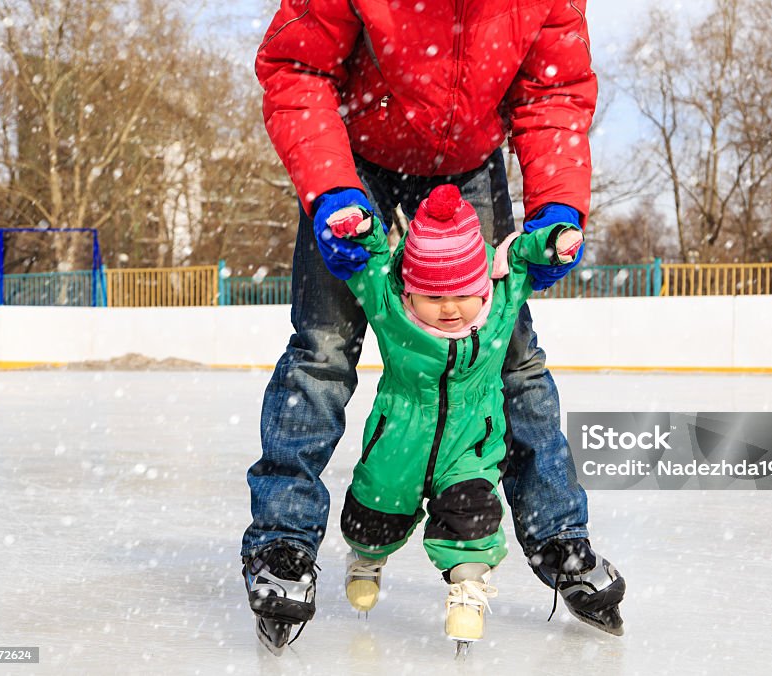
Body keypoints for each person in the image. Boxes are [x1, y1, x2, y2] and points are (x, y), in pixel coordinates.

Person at [242, 0, 626, 653]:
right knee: (323, 346)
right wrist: (331, 188)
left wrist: (557, 204)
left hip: (467, 165)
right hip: (354, 158)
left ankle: (558, 532)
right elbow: (297, 68)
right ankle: (283, 544)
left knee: (509, 353)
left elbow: (553, 91)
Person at [333, 184, 583, 647]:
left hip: (471, 440)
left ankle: (467, 589)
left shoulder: (501, 303)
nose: (449, 308)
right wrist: (362, 226)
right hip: (399, 438)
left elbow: (524, 257)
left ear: (483, 285)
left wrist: (554, 240)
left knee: (473, 512)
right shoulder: (391, 307)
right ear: (410, 291)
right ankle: (367, 558)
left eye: (463, 294)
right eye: (432, 297)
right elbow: (369, 263)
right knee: (376, 507)